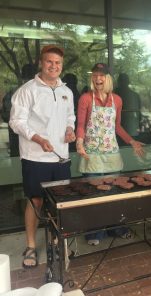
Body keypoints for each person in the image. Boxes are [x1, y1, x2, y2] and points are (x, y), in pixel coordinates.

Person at [9, 45, 76, 268]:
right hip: (35, 157)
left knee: (59, 203)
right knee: (35, 200)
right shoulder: (27, 90)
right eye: (49, 62)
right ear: (41, 63)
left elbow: (70, 117)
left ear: (61, 65)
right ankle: (30, 245)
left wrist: (70, 129)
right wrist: (37, 138)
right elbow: (16, 122)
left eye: (57, 63)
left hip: (60, 157)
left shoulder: (67, 91)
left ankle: (56, 242)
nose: (53, 66)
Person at [76, 62, 144, 245]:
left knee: (114, 194)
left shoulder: (117, 100)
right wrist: (80, 142)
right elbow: (80, 125)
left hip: (112, 154)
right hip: (92, 155)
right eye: (95, 75)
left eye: (102, 75)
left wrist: (131, 141)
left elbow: (117, 127)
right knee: (94, 196)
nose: (98, 78)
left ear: (108, 79)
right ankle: (94, 234)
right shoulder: (85, 99)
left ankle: (118, 228)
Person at [1, 64, 35, 156]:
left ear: (22, 75)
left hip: (15, 136)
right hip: (34, 138)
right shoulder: (42, 93)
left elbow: (5, 115)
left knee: (16, 163)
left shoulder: (13, 92)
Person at [114, 73, 141, 137]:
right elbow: (139, 113)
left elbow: (138, 113)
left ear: (118, 82)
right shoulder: (135, 95)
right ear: (128, 82)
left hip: (121, 130)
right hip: (131, 128)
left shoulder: (113, 94)